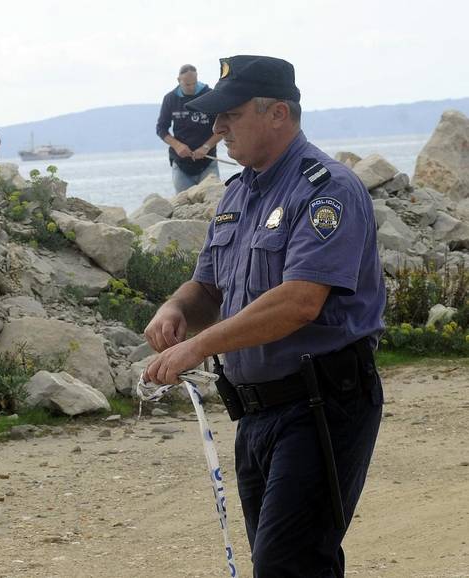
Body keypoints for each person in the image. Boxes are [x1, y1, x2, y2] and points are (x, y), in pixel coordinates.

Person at [144, 55, 385, 577]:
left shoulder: (326, 189)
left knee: (288, 564)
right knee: (279, 561)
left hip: (321, 400)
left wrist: (202, 346)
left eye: (229, 114)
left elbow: (301, 300)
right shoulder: (239, 193)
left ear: (278, 113)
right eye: (216, 117)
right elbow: (208, 287)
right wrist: (176, 308)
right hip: (256, 411)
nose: (217, 128)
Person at [156, 64, 224, 193]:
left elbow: (223, 128)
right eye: (187, 84)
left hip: (207, 161)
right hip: (181, 163)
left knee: (212, 199)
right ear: (179, 80)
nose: (192, 87)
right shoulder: (170, 99)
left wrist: (206, 147)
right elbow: (161, 129)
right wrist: (177, 145)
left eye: (194, 83)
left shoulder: (209, 95)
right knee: (184, 203)